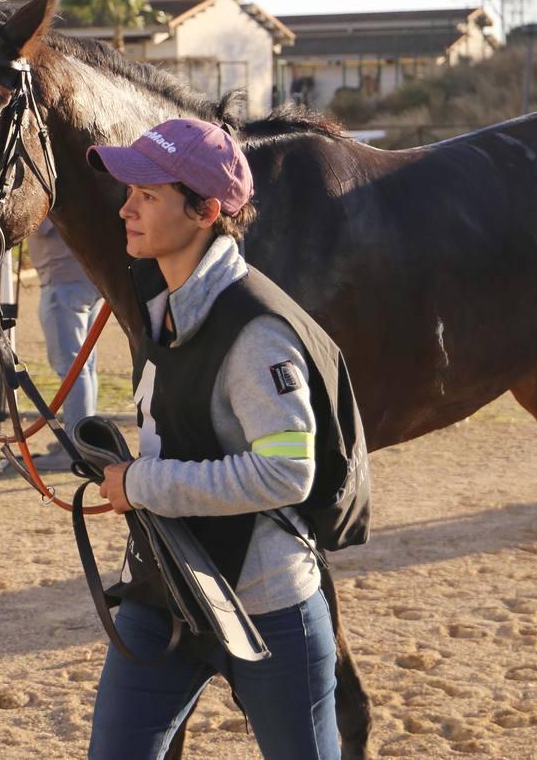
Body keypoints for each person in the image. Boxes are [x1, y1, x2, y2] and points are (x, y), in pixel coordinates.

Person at [86, 118, 354, 759]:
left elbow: (288, 474)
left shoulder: (259, 333)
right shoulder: (164, 303)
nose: (126, 207)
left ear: (205, 211)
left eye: (147, 195)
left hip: (267, 609)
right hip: (164, 593)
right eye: (130, 192)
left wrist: (143, 484)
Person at [27, 217, 103, 470]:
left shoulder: (51, 185)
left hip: (63, 280)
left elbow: (34, 222)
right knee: (83, 367)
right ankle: (82, 442)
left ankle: (74, 448)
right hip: (84, 277)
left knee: (72, 369)